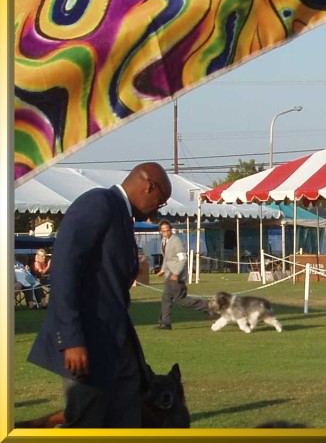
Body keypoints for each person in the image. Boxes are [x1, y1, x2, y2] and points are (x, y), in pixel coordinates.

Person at [27, 162, 172, 427]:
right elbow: (65, 268)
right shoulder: (98, 203)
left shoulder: (122, 216)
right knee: (88, 421)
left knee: (126, 418)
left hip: (116, 343)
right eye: (160, 201)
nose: (157, 210)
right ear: (149, 186)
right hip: (88, 341)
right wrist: (71, 339)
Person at [156, 220, 209, 330]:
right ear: (160, 231)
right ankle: (165, 323)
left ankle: (207, 305)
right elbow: (167, 258)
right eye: (164, 231)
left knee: (180, 299)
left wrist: (176, 273)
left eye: (168, 230)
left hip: (176, 273)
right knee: (166, 298)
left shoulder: (176, 241)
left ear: (171, 230)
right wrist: (162, 270)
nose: (166, 233)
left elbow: (183, 259)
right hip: (169, 273)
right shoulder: (163, 241)